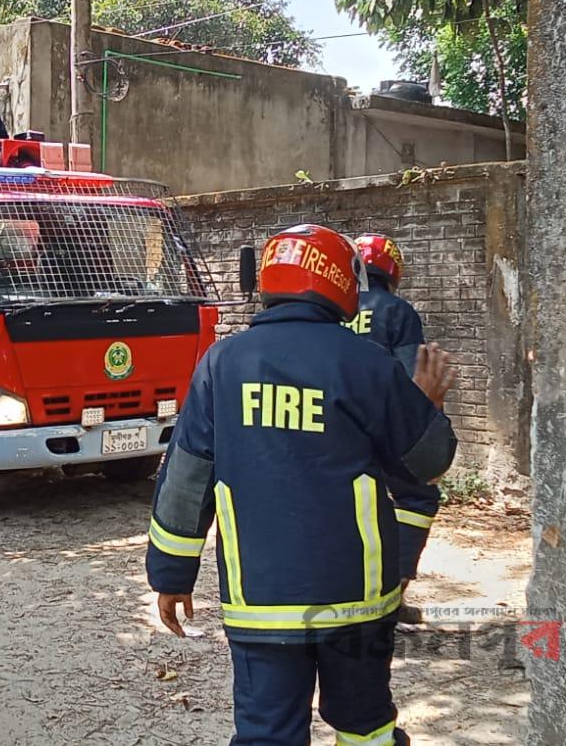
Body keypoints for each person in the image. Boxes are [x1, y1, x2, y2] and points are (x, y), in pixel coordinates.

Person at [145, 224, 457, 746]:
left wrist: (171, 572)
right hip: (355, 601)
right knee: (366, 727)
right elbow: (426, 463)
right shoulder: (367, 364)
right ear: (343, 283)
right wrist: (426, 402)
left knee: (268, 733)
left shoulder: (221, 364)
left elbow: (186, 477)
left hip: (261, 599)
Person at [348, 234, 439, 626]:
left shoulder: (336, 307)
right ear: (392, 270)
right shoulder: (398, 312)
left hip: (334, 425)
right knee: (416, 498)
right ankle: (392, 595)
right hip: (383, 426)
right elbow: (411, 378)